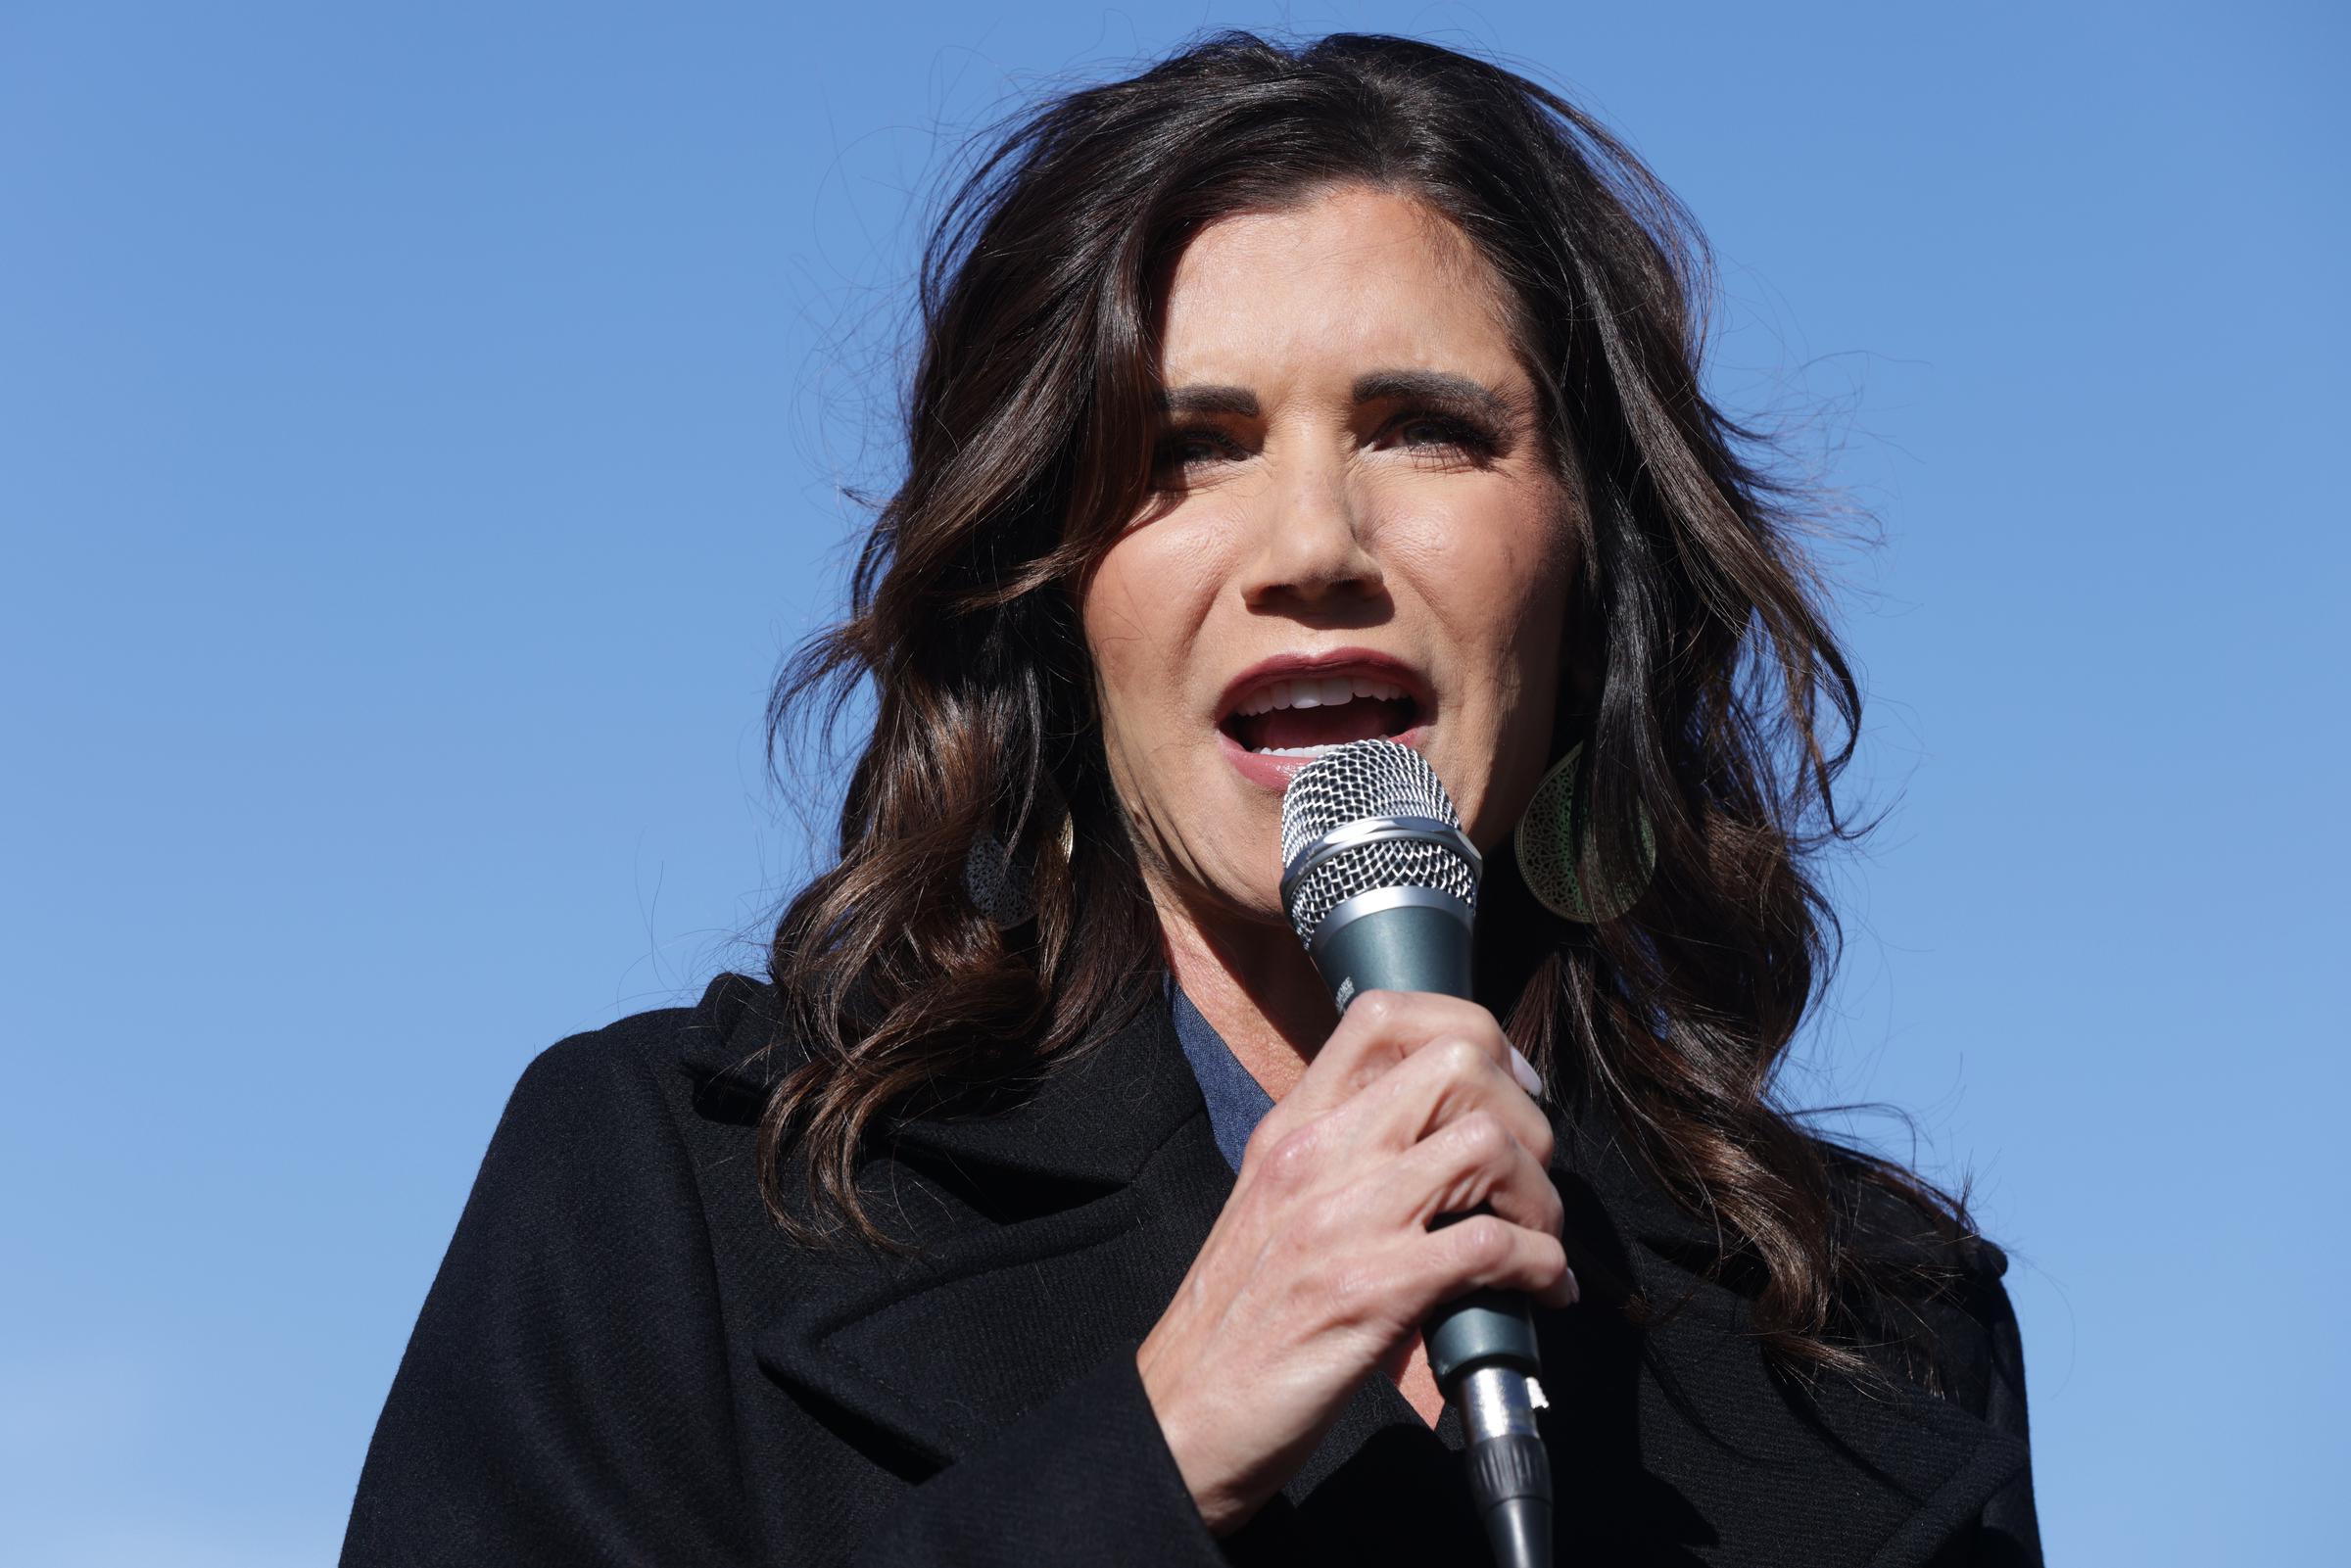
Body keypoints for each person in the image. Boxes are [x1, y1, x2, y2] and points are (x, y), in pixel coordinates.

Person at [341, 31, 2039, 1567]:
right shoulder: (672, 1207)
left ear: (1594, 563)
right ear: (1048, 589)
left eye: (1424, 428)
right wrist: (1157, 1448)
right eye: (1187, 451)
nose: (1311, 546)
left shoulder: (1879, 1329)